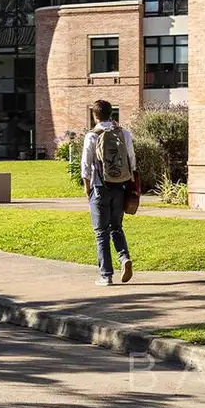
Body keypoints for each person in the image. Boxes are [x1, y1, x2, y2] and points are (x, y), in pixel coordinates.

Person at [80, 99, 136, 286]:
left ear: (95, 116)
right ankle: (124, 258)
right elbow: (131, 160)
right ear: (111, 114)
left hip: (100, 186)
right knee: (116, 227)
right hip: (120, 186)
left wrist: (86, 186)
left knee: (101, 232)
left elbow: (86, 164)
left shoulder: (92, 135)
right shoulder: (124, 134)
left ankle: (106, 275)